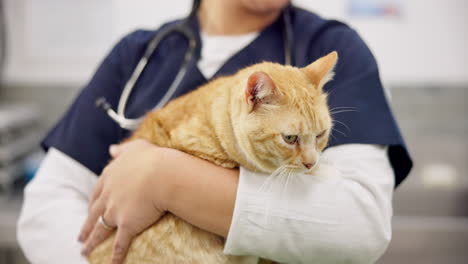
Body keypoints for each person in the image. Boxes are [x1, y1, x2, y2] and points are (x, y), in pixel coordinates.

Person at [17, 0, 412, 263]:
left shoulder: (330, 45)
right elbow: (47, 206)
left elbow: (361, 225)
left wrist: (165, 178)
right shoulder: (138, 54)